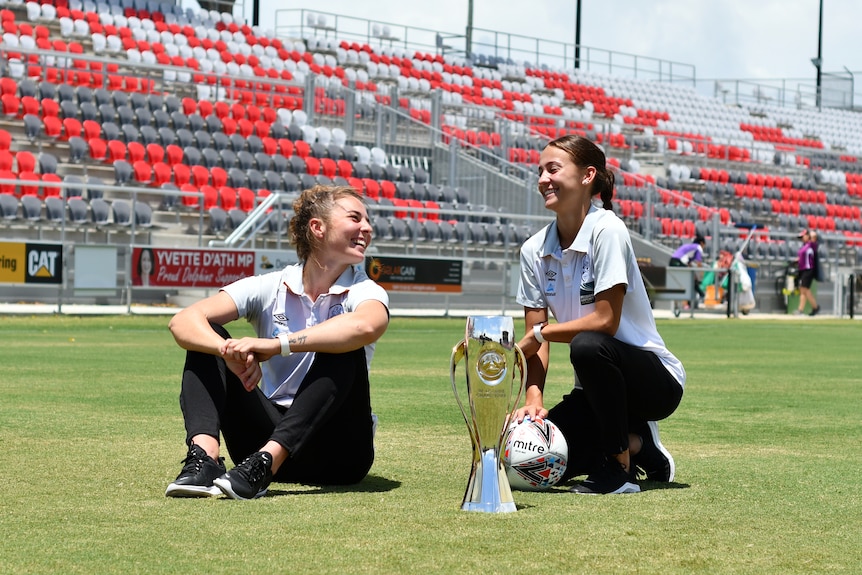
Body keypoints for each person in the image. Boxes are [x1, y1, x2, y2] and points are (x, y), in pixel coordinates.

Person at [165, 185, 390, 500]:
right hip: (260, 440)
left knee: (343, 344)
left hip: (340, 455)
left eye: (368, 221)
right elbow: (183, 321)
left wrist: (278, 344)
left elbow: (366, 325)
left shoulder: (366, 290)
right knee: (208, 336)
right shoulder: (270, 286)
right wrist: (225, 351)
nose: (367, 228)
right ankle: (204, 460)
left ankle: (268, 462)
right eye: (355, 218)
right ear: (318, 227)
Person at [515, 135, 685, 495]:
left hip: (653, 384)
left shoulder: (607, 229)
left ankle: (620, 467)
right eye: (540, 170)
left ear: (588, 175)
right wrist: (534, 399)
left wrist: (542, 334)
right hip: (595, 391)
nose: (543, 178)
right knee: (535, 465)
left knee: (589, 345)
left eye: (553, 168)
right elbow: (536, 337)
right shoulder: (532, 250)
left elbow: (604, 322)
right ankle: (641, 446)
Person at [669, 235, 706, 308]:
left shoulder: (690, 247)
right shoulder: (698, 247)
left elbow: (688, 263)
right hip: (678, 261)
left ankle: (679, 304)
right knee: (689, 280)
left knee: (681, 282)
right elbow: (699, 263)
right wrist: (701, 275)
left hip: (673, 261)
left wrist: (695, 276)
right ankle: (701, 294)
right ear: (701, 243)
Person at [795, 229, 820, 315]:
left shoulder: (811, 245)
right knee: (804, 290)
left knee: (804, 289)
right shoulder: (804, 246)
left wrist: (809, 233)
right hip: (802, 270)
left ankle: (801, 309)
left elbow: (814, 236)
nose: (802, 239)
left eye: (803, 237)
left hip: (808, 270)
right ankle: (814, 307)